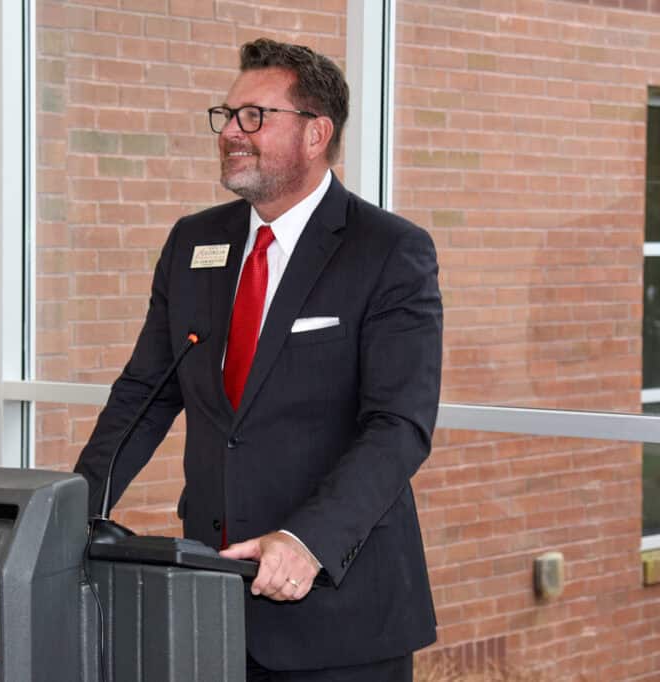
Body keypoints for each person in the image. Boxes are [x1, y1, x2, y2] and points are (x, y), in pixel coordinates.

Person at [75, 37, 442, 681]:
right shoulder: (194, 242)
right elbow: (143, 393)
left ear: (315, 134)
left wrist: (307, 542)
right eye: (227, 114)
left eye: (255, 116)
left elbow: (399, 426)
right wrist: (72, 512)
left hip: (339, 610)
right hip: (210, 604)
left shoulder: (388, 251)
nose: (231, 133)